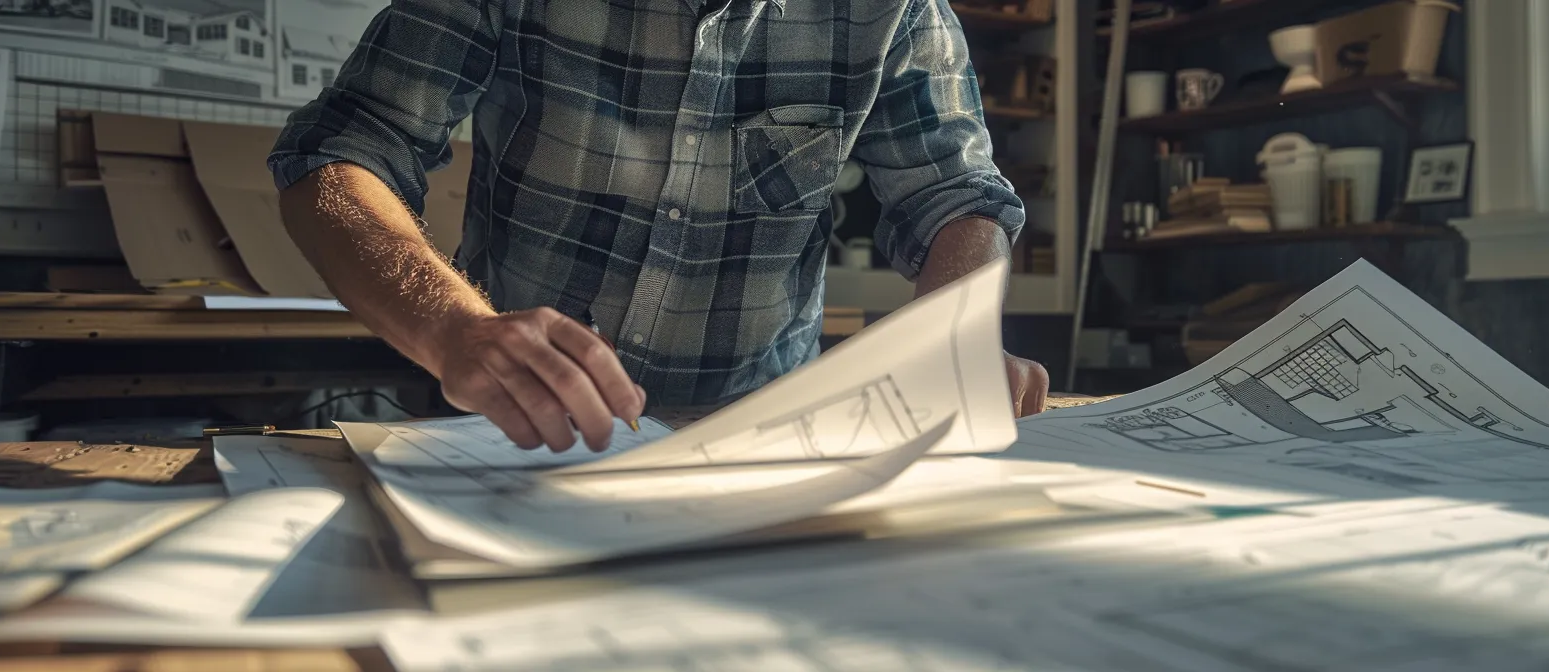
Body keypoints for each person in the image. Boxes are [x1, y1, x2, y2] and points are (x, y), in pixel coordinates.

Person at [269, 0, 1050, 455]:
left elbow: (956, 193)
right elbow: (338, 153)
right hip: (505, 441)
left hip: (759, 454)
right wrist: (454, 331)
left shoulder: (897, 11)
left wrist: (955, 336)